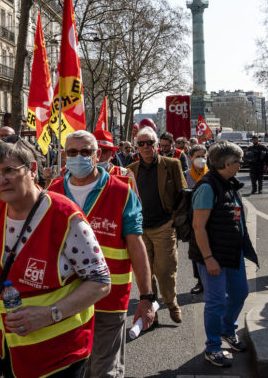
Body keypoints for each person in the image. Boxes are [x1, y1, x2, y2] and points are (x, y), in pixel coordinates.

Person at [0, 140, 111, 378]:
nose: (1, 180)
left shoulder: (64, 215)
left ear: (32, 169)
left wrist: (50, 313)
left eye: (10, 170)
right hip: (9, 352)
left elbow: (101, 281)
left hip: (59, 356)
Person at [47, 131, 154, 378]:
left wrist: (147, 297)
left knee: (104, 371)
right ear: (64, 155)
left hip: (109, 299)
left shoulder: (122, 192)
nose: (79, 157)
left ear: (97, 155)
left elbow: (137, 246)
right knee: (70, 368)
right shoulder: (52, 192)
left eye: (86, 152)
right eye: (72, 152)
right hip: (64, 299)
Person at [189, 142, 258, 367]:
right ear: (227, 164)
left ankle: (228, 330)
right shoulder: (208, 187)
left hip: (231, 253)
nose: (241, 164)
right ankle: (213, 347)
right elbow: (198, 227)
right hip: (213, 256)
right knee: (215, 301)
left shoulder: (228, 183)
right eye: (239, 161)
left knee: (239, 293)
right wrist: (208, 258)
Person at [128, 127, 187, 323]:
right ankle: (151, 310)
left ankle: (172, 303)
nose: (145, 147)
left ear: (157, 145)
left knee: (165, 270)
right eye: (141, 143)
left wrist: (173, 221)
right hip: (139, 229)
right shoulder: (131, 170)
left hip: (164, 226)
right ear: (137, 147)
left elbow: (183, 195)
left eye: (149, 143)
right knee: (145, 273)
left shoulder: (171, 164)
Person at [185, 144, 209, 295]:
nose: (200, 159)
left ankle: (210, 280)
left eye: (203, 156)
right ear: (190, 158)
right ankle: (200, 281)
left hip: (209, 220)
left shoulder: (212, 175)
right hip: (192, 220)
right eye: (197, 156)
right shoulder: (185, 175)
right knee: (196, 253)